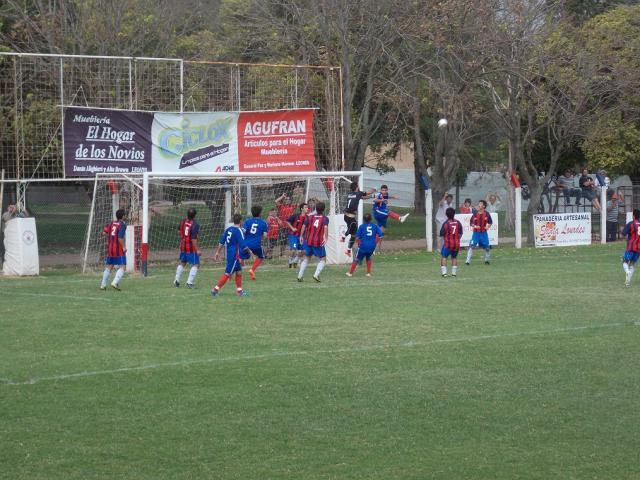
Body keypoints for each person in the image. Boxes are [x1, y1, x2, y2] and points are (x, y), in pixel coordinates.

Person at [211, 213, 249, 297]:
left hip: (230, 254)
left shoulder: (228, 229)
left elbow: (221, 242)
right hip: (234, 256)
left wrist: (217, 252)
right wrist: (250, 252)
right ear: (241, 221)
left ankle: (239, 291)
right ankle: (215, 290)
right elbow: (243, 245)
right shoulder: (239, 231)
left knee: (239, 272)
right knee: (227, 274)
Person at [341, 181, 376, 256]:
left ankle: (348, 250)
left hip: (346, 216)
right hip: (350, 217)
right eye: (358, 186)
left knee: (354, 235)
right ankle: (343, 237)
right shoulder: (358, 193)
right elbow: (367, 193)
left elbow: (363, 197)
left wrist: (373, 196)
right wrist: (374, 190)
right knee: (352, 227)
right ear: (357, 187)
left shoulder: (350, 194)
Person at [297, 201, 329, 282]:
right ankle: (316, 275)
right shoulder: (325, 218)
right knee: (323, 259)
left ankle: (300, 275)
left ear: (316, 209)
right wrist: (326, 238)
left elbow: (304, 226)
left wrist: (301, 236)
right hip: (318, 241)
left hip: (308, 240)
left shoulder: (310, 217)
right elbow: (325, 228)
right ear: (323, 209)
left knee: (307, 257)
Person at [345, 213, 383, 277]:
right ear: (371, 219)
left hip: (363, 246)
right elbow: (380, 235)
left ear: (363, 220)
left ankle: (350, 273)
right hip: (372, 246)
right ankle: (368, 273)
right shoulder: (375, 226)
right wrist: (377, 243)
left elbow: (357, 237)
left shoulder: (362, 226)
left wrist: (358, 243)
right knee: (368, 258)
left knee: (357, 259)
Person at [100, 208, 127, 290]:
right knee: (123, 267)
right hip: (118, 249)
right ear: (123, 216)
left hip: (110, 249)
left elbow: (104, 232)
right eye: (125, 215)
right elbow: (120, 238)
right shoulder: (122, 224)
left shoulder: (111, 223)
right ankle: (115, 282)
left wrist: (105, 235)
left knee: (109, 266)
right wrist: (124, 247)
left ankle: (103, 285)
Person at [174, 208, 200, 288]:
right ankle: (189, 283)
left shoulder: (182, 221)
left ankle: (176, 280)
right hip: (191, 248)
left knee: (183, 262)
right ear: (195, 215)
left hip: (183, 246)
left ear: (187, 214)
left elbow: (179, 231)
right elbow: (193, 239)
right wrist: (197, 249)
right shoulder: (195, 224)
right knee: (196, 264)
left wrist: (183, 237)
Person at [241, 205, 268, 280]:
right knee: (261, 256)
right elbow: (265, 235)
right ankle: (252, 269)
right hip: (256, 244)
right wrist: (261, 239)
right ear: (260, 213)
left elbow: (243, 231)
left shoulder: (247, 221)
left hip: (246, 244)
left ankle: (230, 273)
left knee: (240, 257)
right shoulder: (263, 223)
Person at [465, 199, 493, 265]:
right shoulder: (475, 214)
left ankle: (487, 259)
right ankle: (467, 261)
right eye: (479, 203)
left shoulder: (487, 214)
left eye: (480, 204)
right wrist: (475, 226)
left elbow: (490, 222)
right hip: (476, 233)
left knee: (487, 247)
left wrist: (488, 226)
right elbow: (471, 223)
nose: (479, 205)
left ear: (483, 206)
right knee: (472, 245)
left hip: (484, 233)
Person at [440, 207, 463, 277]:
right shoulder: (458, 222)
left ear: (446, 214)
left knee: (444, 257)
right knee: (454, 257)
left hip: (448, 244)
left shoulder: (446, 223)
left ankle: (444, 273)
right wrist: (457, 239)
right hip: (456, 244)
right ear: (454, 214)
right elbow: (460, 233)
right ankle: (454, 274)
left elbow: (441, 234)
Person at [284, 202, 309, 268]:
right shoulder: (296, 216)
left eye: (307, 207)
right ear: (301, 209)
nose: (307, 208)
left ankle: (296, 260)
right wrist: (292, 228)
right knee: (294, 249)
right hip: (293, 236)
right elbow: (287, 221)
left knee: (305, 250)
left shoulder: (308, 217)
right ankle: (290, 260)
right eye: (306, 207)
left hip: (302, 237)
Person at [622, 209, 640, 287]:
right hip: (639, 248)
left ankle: (627, 272)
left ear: (634, 216)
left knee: (625, 261)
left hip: (631, 246)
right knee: (632, 263)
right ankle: (627, 282)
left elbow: (623, 233)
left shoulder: (631, 224)